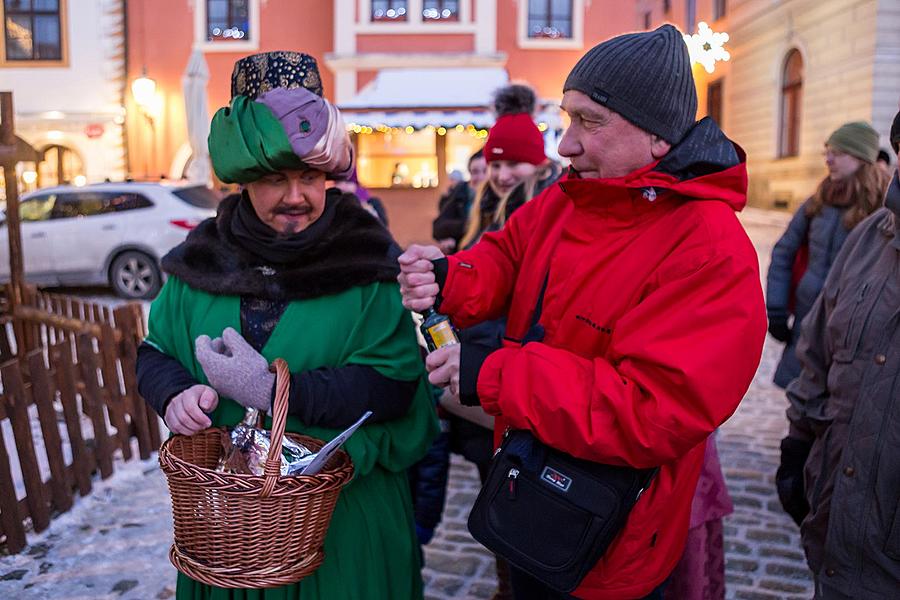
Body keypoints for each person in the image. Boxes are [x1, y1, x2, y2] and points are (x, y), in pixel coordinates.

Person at [397, 25, 766, 599]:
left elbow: (652, 410)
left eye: (590, 122)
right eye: (568, 118)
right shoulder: (575, 195)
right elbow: (508, 254)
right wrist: (452, 278)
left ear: (658, 138)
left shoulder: (711, 249)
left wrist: (492, 371)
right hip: (529, 489)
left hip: (611, 536)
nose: (566, 144)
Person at [135, 51, 437, 600]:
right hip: (229, 538)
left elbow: (393, 389)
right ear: (244, 178)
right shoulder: (198, 261)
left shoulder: (367, 265)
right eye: (275, 178)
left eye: (310, 176)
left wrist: (276, 391)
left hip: (345, 531)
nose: (296, 197)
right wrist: (173, 393)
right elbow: (155, 351)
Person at [776, 109, 900, 599]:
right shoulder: (869, 236)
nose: (829, 157)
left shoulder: (865, 215)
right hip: (837, 528)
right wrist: (799, 444)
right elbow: (820, 357)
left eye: (840, 150)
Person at [766, 121, 888, 389]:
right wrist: (775, 308)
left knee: (840, 401)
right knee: (800, 399)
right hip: (808, 318)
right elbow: (783, 252)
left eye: (838, 152)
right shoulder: (817, 201)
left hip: (854, 326)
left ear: (860, 158)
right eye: (827, 152)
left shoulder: (882, 208)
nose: (829, 159)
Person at [458, 84, 562, 250]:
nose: (502, 176)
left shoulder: (553, 216)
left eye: (514, 164)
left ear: (539, 165)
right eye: (495, 165)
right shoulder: (485, 210)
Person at [432, 149, 487, 253]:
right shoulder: (462, 191)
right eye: (475, 172)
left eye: (486, 171)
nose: (480, 177)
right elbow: (438, 227)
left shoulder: (501, 198)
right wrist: (468, 226)